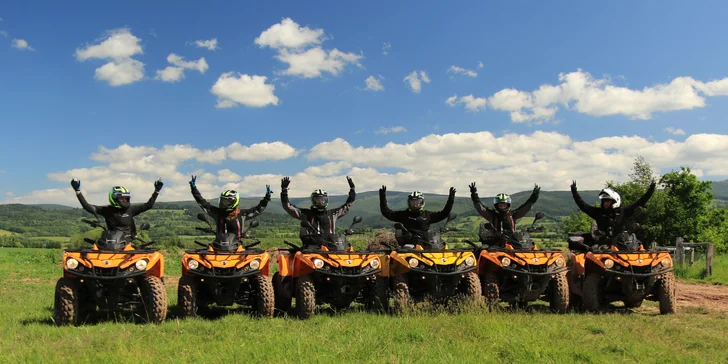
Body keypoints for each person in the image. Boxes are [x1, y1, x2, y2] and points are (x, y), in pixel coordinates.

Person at [70, 178, 163, 239]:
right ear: (114, 198)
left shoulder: (131, 209)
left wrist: (157, 191)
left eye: (126, 198)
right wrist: (77, 191)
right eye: (121, 198)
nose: (124, 200)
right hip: (111, 242)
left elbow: (148, 205)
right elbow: (87, 207)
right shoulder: (107, 210)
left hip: (128, 242)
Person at [280, 176, 356, 249]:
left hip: (332, 246)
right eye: (318, 200)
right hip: (312, 246)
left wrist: (352, 189)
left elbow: (347, 206)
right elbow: (288, 207)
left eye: (323, 200)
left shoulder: (332, 214)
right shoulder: (306, 214)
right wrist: (284, 191)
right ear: (313, 201)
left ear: (326, 200)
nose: (321, 202)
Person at [570, 179, 656, 241]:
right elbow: (583, 205)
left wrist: (651, 190)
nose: (605, 204)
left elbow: (640, 202)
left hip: (622, 244)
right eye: (604, 202)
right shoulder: (598, 212)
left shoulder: (623, 212)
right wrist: (574, 191)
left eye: (608, 201)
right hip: (602, 246)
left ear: (615, 201)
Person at [189, 175, 271, 240]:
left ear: (234, 202)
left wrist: (266, 198)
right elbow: (203, 203)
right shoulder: (217, 212)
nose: (224, 204)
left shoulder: (242, 214)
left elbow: (258, 209)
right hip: (219, 246)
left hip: (237, 247)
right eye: (223, 201)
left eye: (227, 202)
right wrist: (194, 189)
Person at [379, 186, 456, 247]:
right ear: (409, 203)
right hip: (409, 246)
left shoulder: (428, 215)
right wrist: (382, 198)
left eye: (418, 202)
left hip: (427, 245)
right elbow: (387, 213)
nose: (415, 204)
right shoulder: (403, 215)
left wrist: (451, 199)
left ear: (422, 202)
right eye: (413, 202)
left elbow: (444, 214)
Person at [469, 182, 541, 238]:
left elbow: (526, 207)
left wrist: (534, 196)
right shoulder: (492, 215)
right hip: (494, 242)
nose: (502, 207)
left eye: (504, 205)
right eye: (500, 205)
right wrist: (474, 194)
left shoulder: (513, 215)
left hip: (512, 241)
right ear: (497, 206)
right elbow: (480, 208)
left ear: (508, 205)